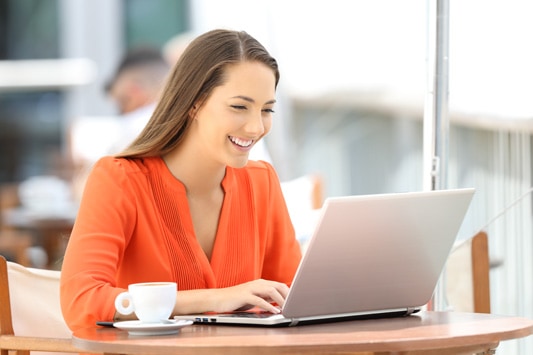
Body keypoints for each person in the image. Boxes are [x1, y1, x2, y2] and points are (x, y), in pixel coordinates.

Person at [59, 29, 302, 331]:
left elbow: (295, 298)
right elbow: (81, 300)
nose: (256, 127)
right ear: (195, 103)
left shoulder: (261, 182)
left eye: (267, 109)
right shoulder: (120, 180)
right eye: (239, 107)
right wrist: (211, 300)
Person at [105, 46, 171, 154]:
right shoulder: (194, 122)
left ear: (134, 91)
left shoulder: (133, 131)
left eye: (123, 102)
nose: (124, 113)